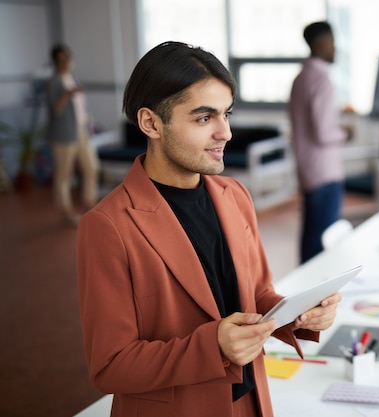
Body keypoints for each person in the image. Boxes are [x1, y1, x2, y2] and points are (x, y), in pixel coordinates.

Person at [76, 41, 341, 417]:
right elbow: (110, 366)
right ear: (151, 123)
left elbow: (258, 296)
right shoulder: (107, 226)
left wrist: (297, 316)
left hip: (251, 401)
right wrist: (214, 346)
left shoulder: (235, 195)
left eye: (226, 114)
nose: (225, 133)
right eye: (204, 118)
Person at [289, 21, 353, 264]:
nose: (335, 49)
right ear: (323, 44)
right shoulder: (322, 81)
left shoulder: (300, 79)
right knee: (324, 239)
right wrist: (345, 133)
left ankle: (304, 287)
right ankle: (318, 293)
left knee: (310, 236)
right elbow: (325, 133)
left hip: (307, 169)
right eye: (333, 43)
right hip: (325, 173)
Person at [45, 43, 100, 225]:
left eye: (68, 58)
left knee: (91, 166)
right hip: (63, 134)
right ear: (55, 62)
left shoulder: (72, 79)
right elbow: (56, 111)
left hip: (81, 130)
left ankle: (89, 200)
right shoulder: (54, 83)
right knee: (64, 174)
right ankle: (66, 211)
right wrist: (67, 94)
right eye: (61, 60)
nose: (65, 63)